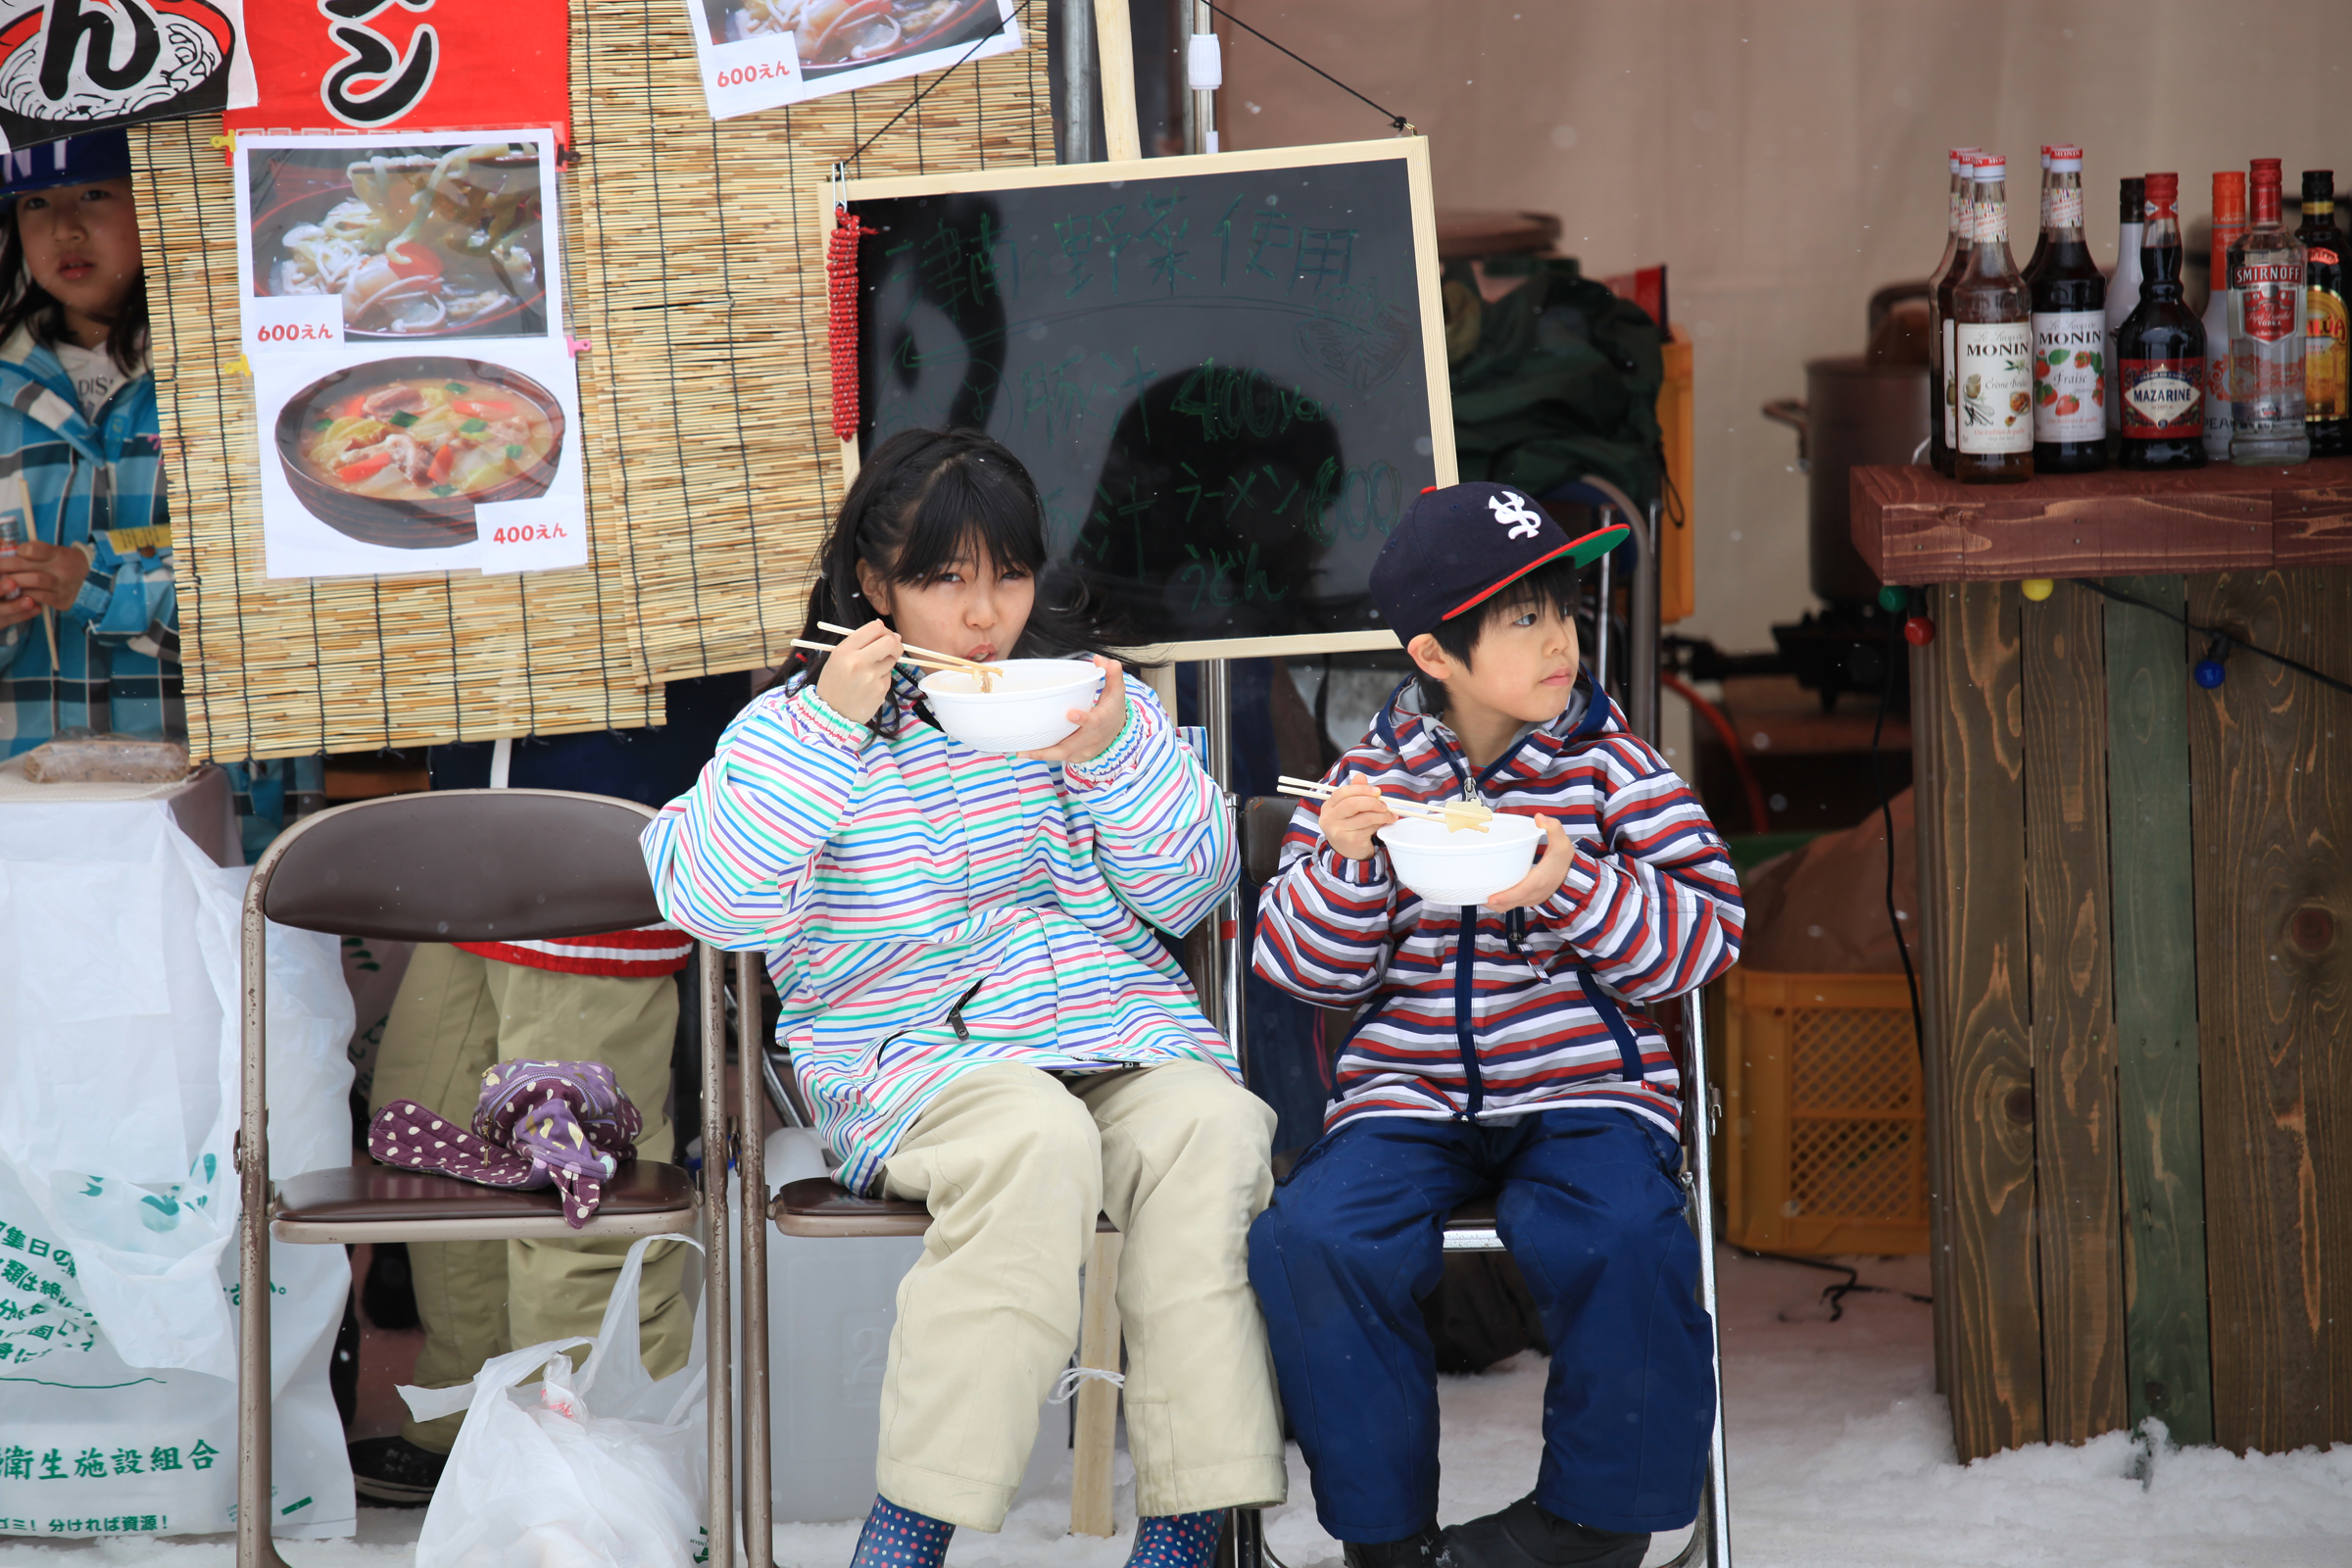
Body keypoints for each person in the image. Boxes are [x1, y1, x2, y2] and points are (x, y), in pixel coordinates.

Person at [642, 427, 1283, 1568]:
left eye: (1009, 574)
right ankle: (912, 1529)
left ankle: (1191, 1521)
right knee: (1034, 1141)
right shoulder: (797, 727)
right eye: (945, 579)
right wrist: (830, 733)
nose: (985, 613)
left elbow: (1194, 886)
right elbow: (710, 902)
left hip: (1115, 1032)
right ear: (876, 585)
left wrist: (1117, 753)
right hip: (910, 1055)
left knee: (1215, 1124)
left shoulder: (1085, 707)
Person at [1250, 483, 1743, 1568]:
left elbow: (1707, 937)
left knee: (1622, 1230)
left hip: (1585, 1094)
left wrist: (1572, 889)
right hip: (1407, 1094)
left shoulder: (1618, 770)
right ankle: (1385, 1541)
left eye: (1560, 608)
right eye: (1521, 618)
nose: (1560, 637)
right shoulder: (1366, 783)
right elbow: (1297, 967)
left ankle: (1595, 1525)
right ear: (1435, 653)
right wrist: (1344, 866)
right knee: (1311, 1236)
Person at [347, 672, 748, 1504]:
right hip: (466, 856)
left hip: (598, 841)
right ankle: (470, 1435)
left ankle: (599, 1482)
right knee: (432, 1141)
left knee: (576, 1203)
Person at [0, 132, 176, 754]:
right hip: (32, 814)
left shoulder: (230, 374)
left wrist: (96, 587)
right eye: (35, 204)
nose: (65, 230)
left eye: (95, 194)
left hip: (218, 802)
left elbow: (273, 598)